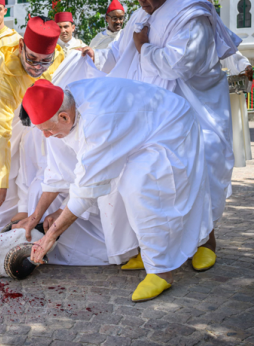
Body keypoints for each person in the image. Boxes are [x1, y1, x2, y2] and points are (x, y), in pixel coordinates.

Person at [81, 0, 240, 271]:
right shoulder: (140, 17)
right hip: (152, 117)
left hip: (195, 113)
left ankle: (206, 242)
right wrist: (93, 57)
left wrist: (145, 47)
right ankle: (153, 246)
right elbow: (117, 52)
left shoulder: (192, 16)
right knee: (150, 180)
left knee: (198, 176)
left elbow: (181, 64)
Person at [18, 78, 212, 302]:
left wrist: (50, 237)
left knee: (140, 187)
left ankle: (162, 270)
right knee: (117, 187)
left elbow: (86, 190)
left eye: (48, 130)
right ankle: (146, 250)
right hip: (139, 127)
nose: (46, 136)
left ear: (64, 117)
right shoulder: (59, 109)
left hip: (171, 124)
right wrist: (35, 216)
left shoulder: (96, 120)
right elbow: (58, 172)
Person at [0, 16, 64, 222]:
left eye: (46, 61)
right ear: (21, 47)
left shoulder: (59, 57)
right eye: (33, 59)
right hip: (7, 131)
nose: (38, 67)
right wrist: (0, 181)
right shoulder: (2, 80)